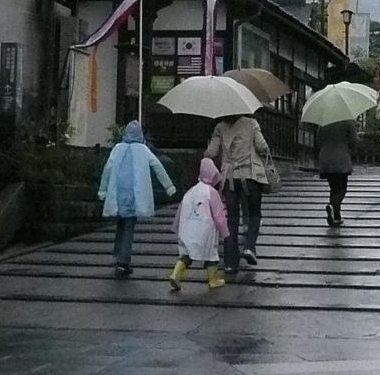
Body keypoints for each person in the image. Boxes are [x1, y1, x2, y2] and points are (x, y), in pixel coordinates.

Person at [98, 120, 175, 277]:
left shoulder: (117, 149)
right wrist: (169, 186)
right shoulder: (143, 150)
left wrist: (103, 190)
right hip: (134, 196)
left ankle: (118, 255)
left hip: (118, 194)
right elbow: (158, 167)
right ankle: (123, 261)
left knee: (120, 224)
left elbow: (107, 169)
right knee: (129, 226)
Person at [206, 113, 269, 272]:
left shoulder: (220, 127)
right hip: (250, 176)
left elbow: (211, 152)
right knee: (254, 214)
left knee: (231, 220)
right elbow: (262, 147)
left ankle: (230, 262)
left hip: (229, 178)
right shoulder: (252, 123)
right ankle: (249, 247)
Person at [169, 157, 229, 292]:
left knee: (186, 254)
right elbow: (219, 216)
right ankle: (213, 280)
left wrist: (176, 227)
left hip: (187, 229)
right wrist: (224, 232)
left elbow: (180, 210)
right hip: (205, 231)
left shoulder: (190, 191)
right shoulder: (212, 193)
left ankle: (175, 274)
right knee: (211, 255)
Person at [317, 119, 355, 226]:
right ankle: (333, 206)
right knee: (342, 188)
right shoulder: (348, 121)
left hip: (325, 158)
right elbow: (353, 141)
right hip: (341, 158)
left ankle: (336, 216)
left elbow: (318, 141)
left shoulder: (323, 123)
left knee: (333, 188)